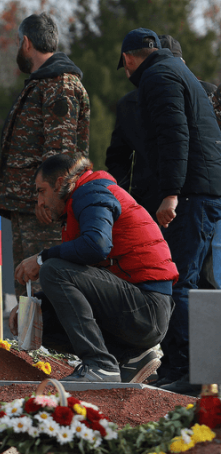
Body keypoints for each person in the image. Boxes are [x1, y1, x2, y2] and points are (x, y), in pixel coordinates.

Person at [11, 154, 177, 383]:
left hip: (148, 309)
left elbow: (96, 246)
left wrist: (41, 259)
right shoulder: (82, 196)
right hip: (139, 308)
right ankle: (129, 357)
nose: (40, 202)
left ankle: (100, 366)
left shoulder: (90, 192)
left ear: (60, 183)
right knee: (43, 318)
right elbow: (84, 279)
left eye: (41, 191)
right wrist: (35, 304)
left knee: (52, 269)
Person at [118, 27, 221, 395]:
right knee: (186, 281)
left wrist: (171, 195)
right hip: (201, 190)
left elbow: (174, 136)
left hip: (190, 194)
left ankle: (194, 372)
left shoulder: (159, 77)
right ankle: (183, 368)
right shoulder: (177, 71)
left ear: (129, 60)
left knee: (180, 282)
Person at [0, 13, 90, 299]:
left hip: (44, 212)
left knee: (42, 288)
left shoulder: (59, 84)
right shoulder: (42, 83)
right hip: (29, 207)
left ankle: (47, 345)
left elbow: (61, 152)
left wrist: (48, 200)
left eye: (19, 42)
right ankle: (29, 344)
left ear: (27, 43)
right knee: (27, 288)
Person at [106, 35, 217, 218]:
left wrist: (122, 203)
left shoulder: (131, 101)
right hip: (195, 194)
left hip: (165, 199)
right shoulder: (206, 94)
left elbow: (119, 161)